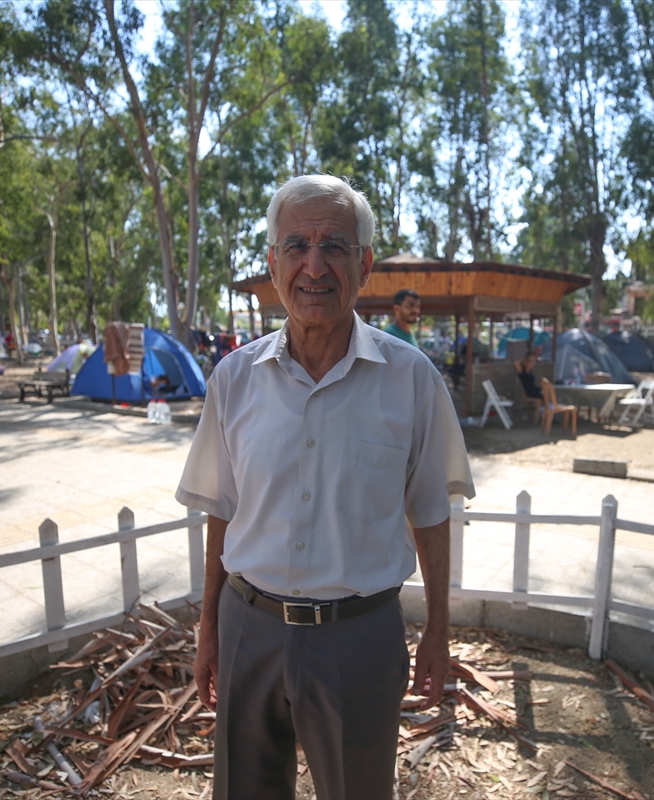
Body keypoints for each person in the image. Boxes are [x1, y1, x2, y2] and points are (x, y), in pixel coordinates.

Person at [177, 175, 474, 800]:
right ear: (273, 263)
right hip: (248, 626)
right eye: (297, 245)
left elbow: (430, 512)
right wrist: (210, 626)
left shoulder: (411, 381)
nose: (315, 265)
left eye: (335, 245)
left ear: (364, 264)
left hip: (357, 637)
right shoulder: (233, 379)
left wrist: (439, 629)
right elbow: (222, 512)